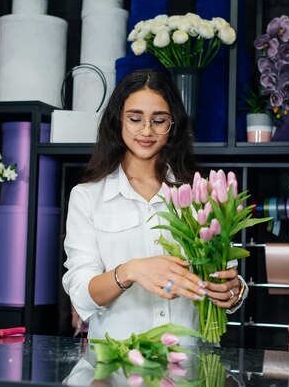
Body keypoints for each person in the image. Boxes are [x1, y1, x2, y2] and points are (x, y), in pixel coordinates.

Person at [62, 68, 248, 342]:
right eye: (135, 119)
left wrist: (234, 291)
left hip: (191, 366)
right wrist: (131, 271)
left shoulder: (200, 193)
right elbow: (80, 292)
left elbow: (224, 269)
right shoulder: (87, 196)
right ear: (118, 121)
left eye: (159, 120)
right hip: (117, 364)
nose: (147, 131)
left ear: (172, 125)